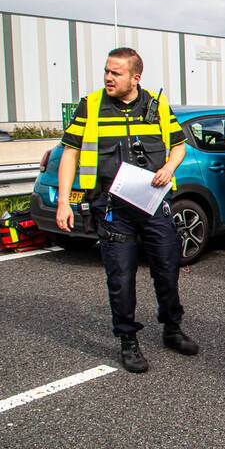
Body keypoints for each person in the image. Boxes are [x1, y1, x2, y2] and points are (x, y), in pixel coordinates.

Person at [55, 47, 197, 373]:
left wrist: (169, 168)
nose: (108, 77)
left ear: (135, 77)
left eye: (116, 73)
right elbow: (70, 153)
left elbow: (178, 146)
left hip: (153, 202)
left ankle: (172, 328)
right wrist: (64, 202)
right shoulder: (91, 106)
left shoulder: (157, 105)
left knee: (167, 268)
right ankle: (128, 339)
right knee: (120, 276)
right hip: (112, 206)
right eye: (107, 71)